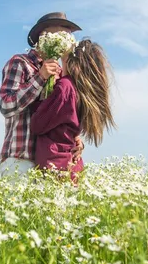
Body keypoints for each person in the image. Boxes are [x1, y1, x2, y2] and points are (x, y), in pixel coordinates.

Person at [0, 12, 84, 178]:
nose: (68, 39)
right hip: (21, 157)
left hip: (49, 161)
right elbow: (6, 105)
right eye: (63, 33)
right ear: (44, 36)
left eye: (69, 35)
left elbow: (61, 118)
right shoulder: (20, 63)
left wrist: (76, 140)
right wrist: (41, 77)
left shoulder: (59, 73)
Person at [30, 38, 116, 183]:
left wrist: (38, 102)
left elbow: (37, 124)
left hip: (55, 164)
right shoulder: (79, 89)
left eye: (62, 62)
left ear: (71, 63)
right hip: (71, 164)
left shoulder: (65, 86)